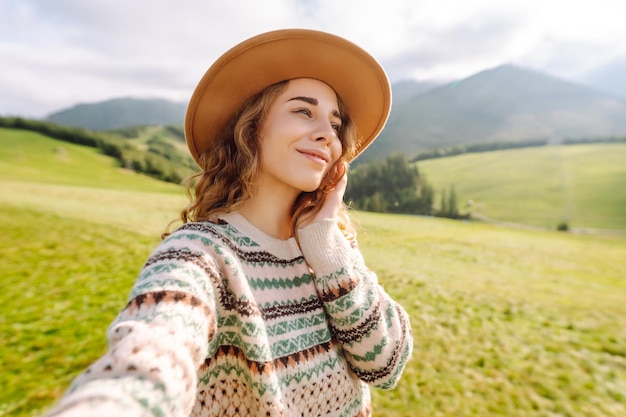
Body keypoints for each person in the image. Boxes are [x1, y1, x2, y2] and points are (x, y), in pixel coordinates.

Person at [45, 28, 413, 417]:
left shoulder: (332, 251)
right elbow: (155, 351)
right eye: (303, 111)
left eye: (335, 124)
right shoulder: (200, 254)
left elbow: (386, 365)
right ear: (252, 128)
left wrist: (326, 245)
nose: (327, 135)